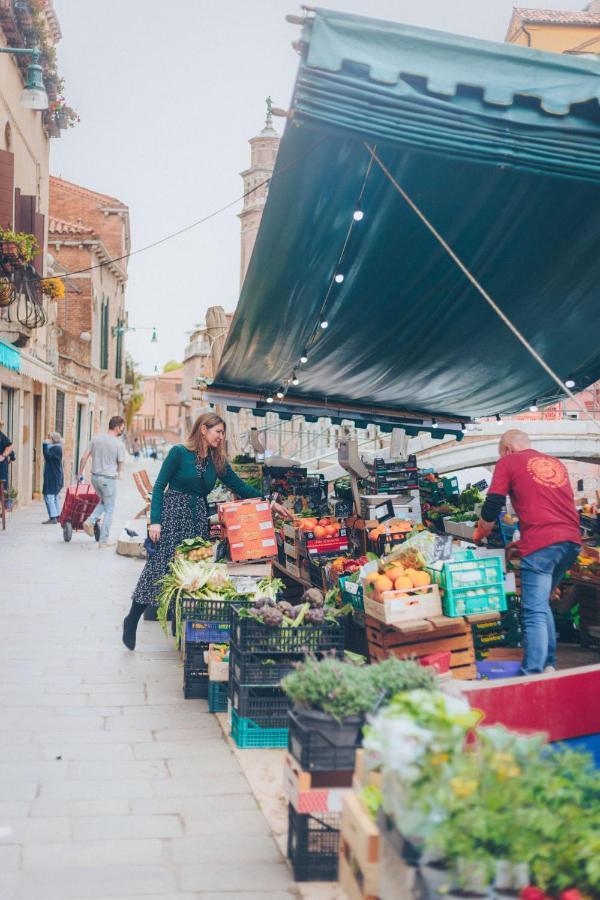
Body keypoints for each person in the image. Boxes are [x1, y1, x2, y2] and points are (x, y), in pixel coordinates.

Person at [122, 412, 290, 650]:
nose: (221, 437)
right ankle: (132, 619)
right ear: (203, 429)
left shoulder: (217, 461)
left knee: (192, 573)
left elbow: (239, 486)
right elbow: (159, 486)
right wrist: (155, 521)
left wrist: (269, 502)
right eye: (218, 432)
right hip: (172, 514)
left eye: (223, 433)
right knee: (158, 567)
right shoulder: (179, 453)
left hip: (197, 517)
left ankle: (183, 628)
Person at [473, 429, 581, 675]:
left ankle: (532, 671)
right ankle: (549, 664)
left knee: (532, 609)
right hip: (570, 542)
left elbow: (493, 504)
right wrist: (520, 545)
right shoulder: (555, 463)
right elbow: (551, 511)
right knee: (541, 603)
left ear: (507, 450)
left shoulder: (508, 462)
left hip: (542, 545)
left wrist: (480, 532)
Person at [78, 415, 126, 548]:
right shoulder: (118, 444)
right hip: (108, 480)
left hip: (95, 478)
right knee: (109, 509)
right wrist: (121, 473)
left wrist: (80, 472)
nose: (122, 430)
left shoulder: (95, 439)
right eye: (122, 428)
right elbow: (121, 463)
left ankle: (91, 521)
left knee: (103, 502)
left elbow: (83, 457)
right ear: (117, 427)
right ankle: (102, 540)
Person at [42, 432, 64, 524]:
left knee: (49, 495)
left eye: (49, 438)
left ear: (53, 439)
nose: (48, 440)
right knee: (54, 496)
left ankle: (53, 517)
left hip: (53, 476)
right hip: (54, 475)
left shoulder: (56, 448)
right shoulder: (56, 448)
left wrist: (44, 444)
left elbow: (47, 456)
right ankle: (57, 516)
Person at [0, 419, 13, 489]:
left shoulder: (2, 436)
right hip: (2, 464)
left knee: (2, 483)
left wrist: (3, 455)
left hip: (2, 464)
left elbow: (10, 446)